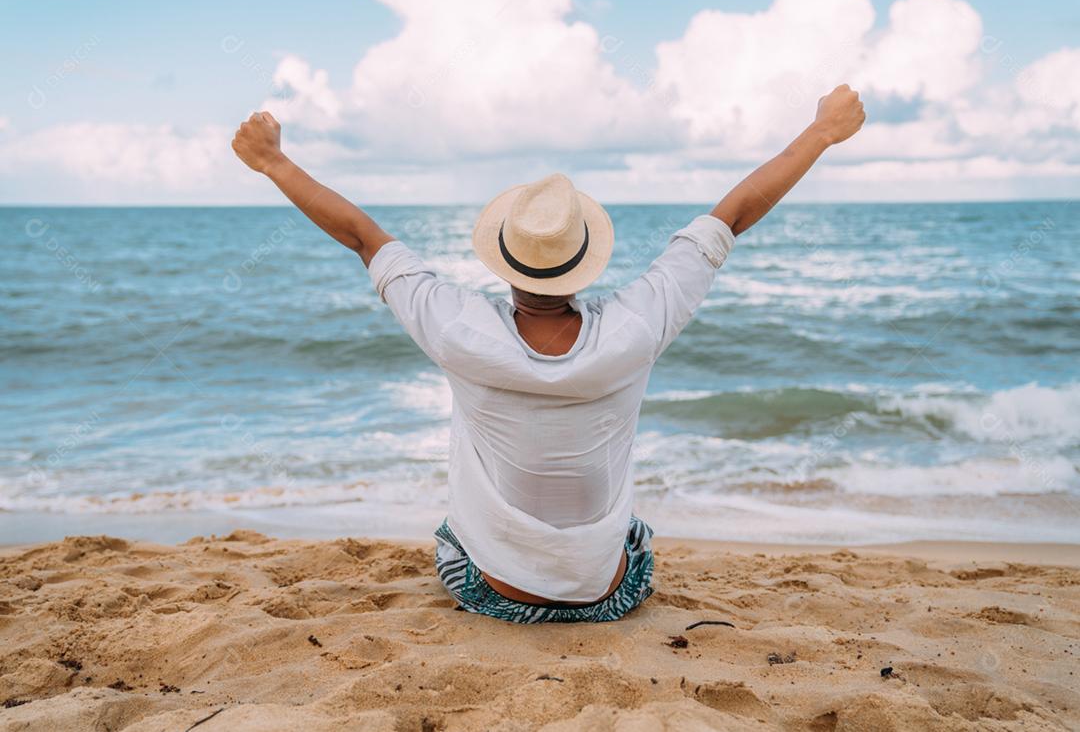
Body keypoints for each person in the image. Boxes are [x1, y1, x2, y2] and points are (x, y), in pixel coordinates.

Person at [232, 84, 865, 624]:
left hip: (493, 596)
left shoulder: (457, 330)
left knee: (452, 534)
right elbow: (733, 215)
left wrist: (274, 163)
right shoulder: (637, 326)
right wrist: (821, 132)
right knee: (634, 532)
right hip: (609, 597)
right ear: (585, 260)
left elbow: (361, 236)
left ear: (503, 258)